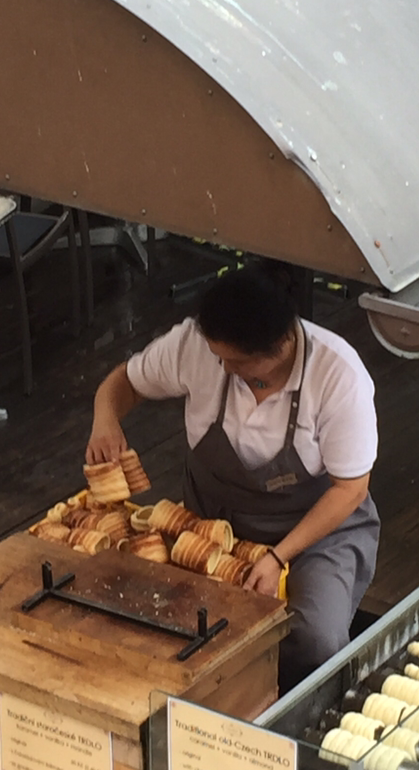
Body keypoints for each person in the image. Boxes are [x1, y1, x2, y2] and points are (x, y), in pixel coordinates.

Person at [86, 265, 380, 693]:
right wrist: (105, 419)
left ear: (283, 343)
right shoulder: (195, 345)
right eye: (218, 356)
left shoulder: (338, 376)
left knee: (315, 638)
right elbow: (124, 383)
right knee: (178, 624)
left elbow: (351, 489)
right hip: (213, 523)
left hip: (315, 532)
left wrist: (277, 557)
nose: (223, 367)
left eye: (238, 362)